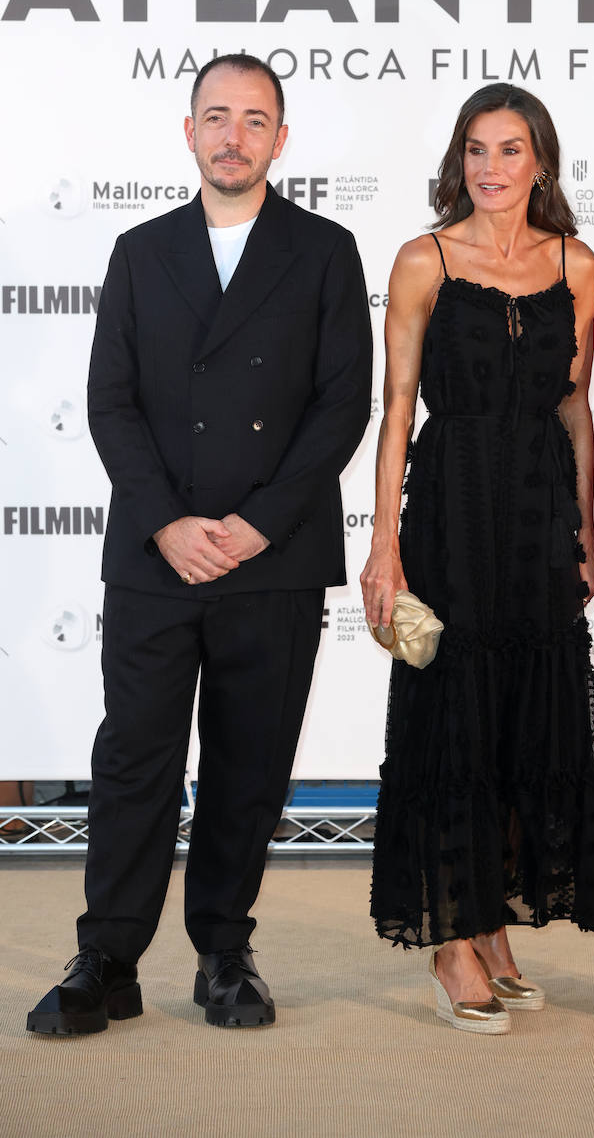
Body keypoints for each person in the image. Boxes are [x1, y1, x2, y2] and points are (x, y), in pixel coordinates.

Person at [27, 54, 372, 1035]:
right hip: (155, 549)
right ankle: (108, 957)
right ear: (189, 132)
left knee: (247, 762)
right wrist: (166, 521)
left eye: (253, 119)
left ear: (279, 138)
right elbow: (110, 400)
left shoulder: (324, 251)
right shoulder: (142, 251)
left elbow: (340, 403)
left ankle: (224, 950)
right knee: (135, 753)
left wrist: (259, 522)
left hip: (276, 549)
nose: (233, 135)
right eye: (215, 116)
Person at [361, 84, 594, 1035]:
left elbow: (576, 408)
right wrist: (385, 545)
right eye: (476, 149)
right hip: (454, 512)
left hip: (541, 518)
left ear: (540, 160)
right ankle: (452, 940)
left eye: (511, 150)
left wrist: (585, 534)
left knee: (524, 724)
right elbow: (397, 414)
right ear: (458, 160)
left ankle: (494, 921)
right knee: (455, 723)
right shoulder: (423, 260)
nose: (492, 168)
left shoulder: (576, 265)